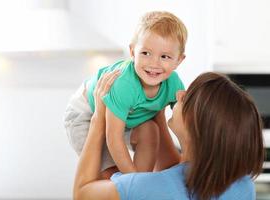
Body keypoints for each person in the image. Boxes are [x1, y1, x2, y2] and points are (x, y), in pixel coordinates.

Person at [73, 71, 264, 200]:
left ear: (196, 126)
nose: (180, 93)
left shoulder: (146, 187)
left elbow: (82, 193)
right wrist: (157, 110)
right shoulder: (242, 186)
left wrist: (99, 119)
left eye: (188, 97)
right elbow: (176, 170)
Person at [64, 11, 187, 177]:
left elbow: (188, 123)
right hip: (86, 114)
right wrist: (130, 180)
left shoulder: (173, 84)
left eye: (165, 56)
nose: (154, 63)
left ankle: (142, 180)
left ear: (179, 60)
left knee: (150, 130)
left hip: (126, 118)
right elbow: (113, 138)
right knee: (110, 174)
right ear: (132, 52)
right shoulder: (124, 85)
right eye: (146, 53)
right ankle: (134, 182)